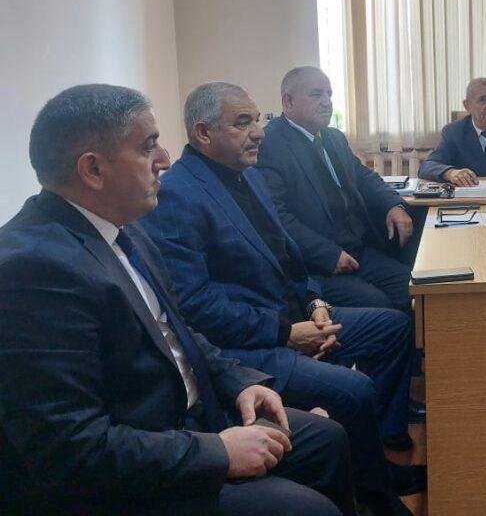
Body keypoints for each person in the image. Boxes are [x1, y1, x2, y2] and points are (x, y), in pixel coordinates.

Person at [0, 84, 354, 515]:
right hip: (137, 471)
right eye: (147, 146)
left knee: (326, 439)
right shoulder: (33, 269)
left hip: (189, 418)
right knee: (308, 509)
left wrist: (240, 383)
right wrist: (218, 453)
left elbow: (180, 332)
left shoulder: (125, 227)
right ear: (93, 169)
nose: (164, 160)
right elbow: (69, 449)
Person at [140, 82, 420, 516]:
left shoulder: (249, 175)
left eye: (257, 120)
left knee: (394, 328)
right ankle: (375, 497)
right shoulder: (177, 194)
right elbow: (195, 306)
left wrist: (315, 304)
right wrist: (286, 333)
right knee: (354, 388)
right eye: (243, 123)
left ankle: (373, 463)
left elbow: (289, 257)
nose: (259, 132)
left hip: (295, 316)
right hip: (248, 343)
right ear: (204, 133)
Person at [257, 66, 414, 313]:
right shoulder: (269, 144)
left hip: (358, 251)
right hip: (317, 265)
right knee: (379, 306)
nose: (326, 102)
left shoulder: (333, 138)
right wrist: (329, 255)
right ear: (288, 101)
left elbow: (363, 177)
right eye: (316, 94)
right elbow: (276, 216)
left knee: (416, 288)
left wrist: (393, 205)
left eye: (329, 94)